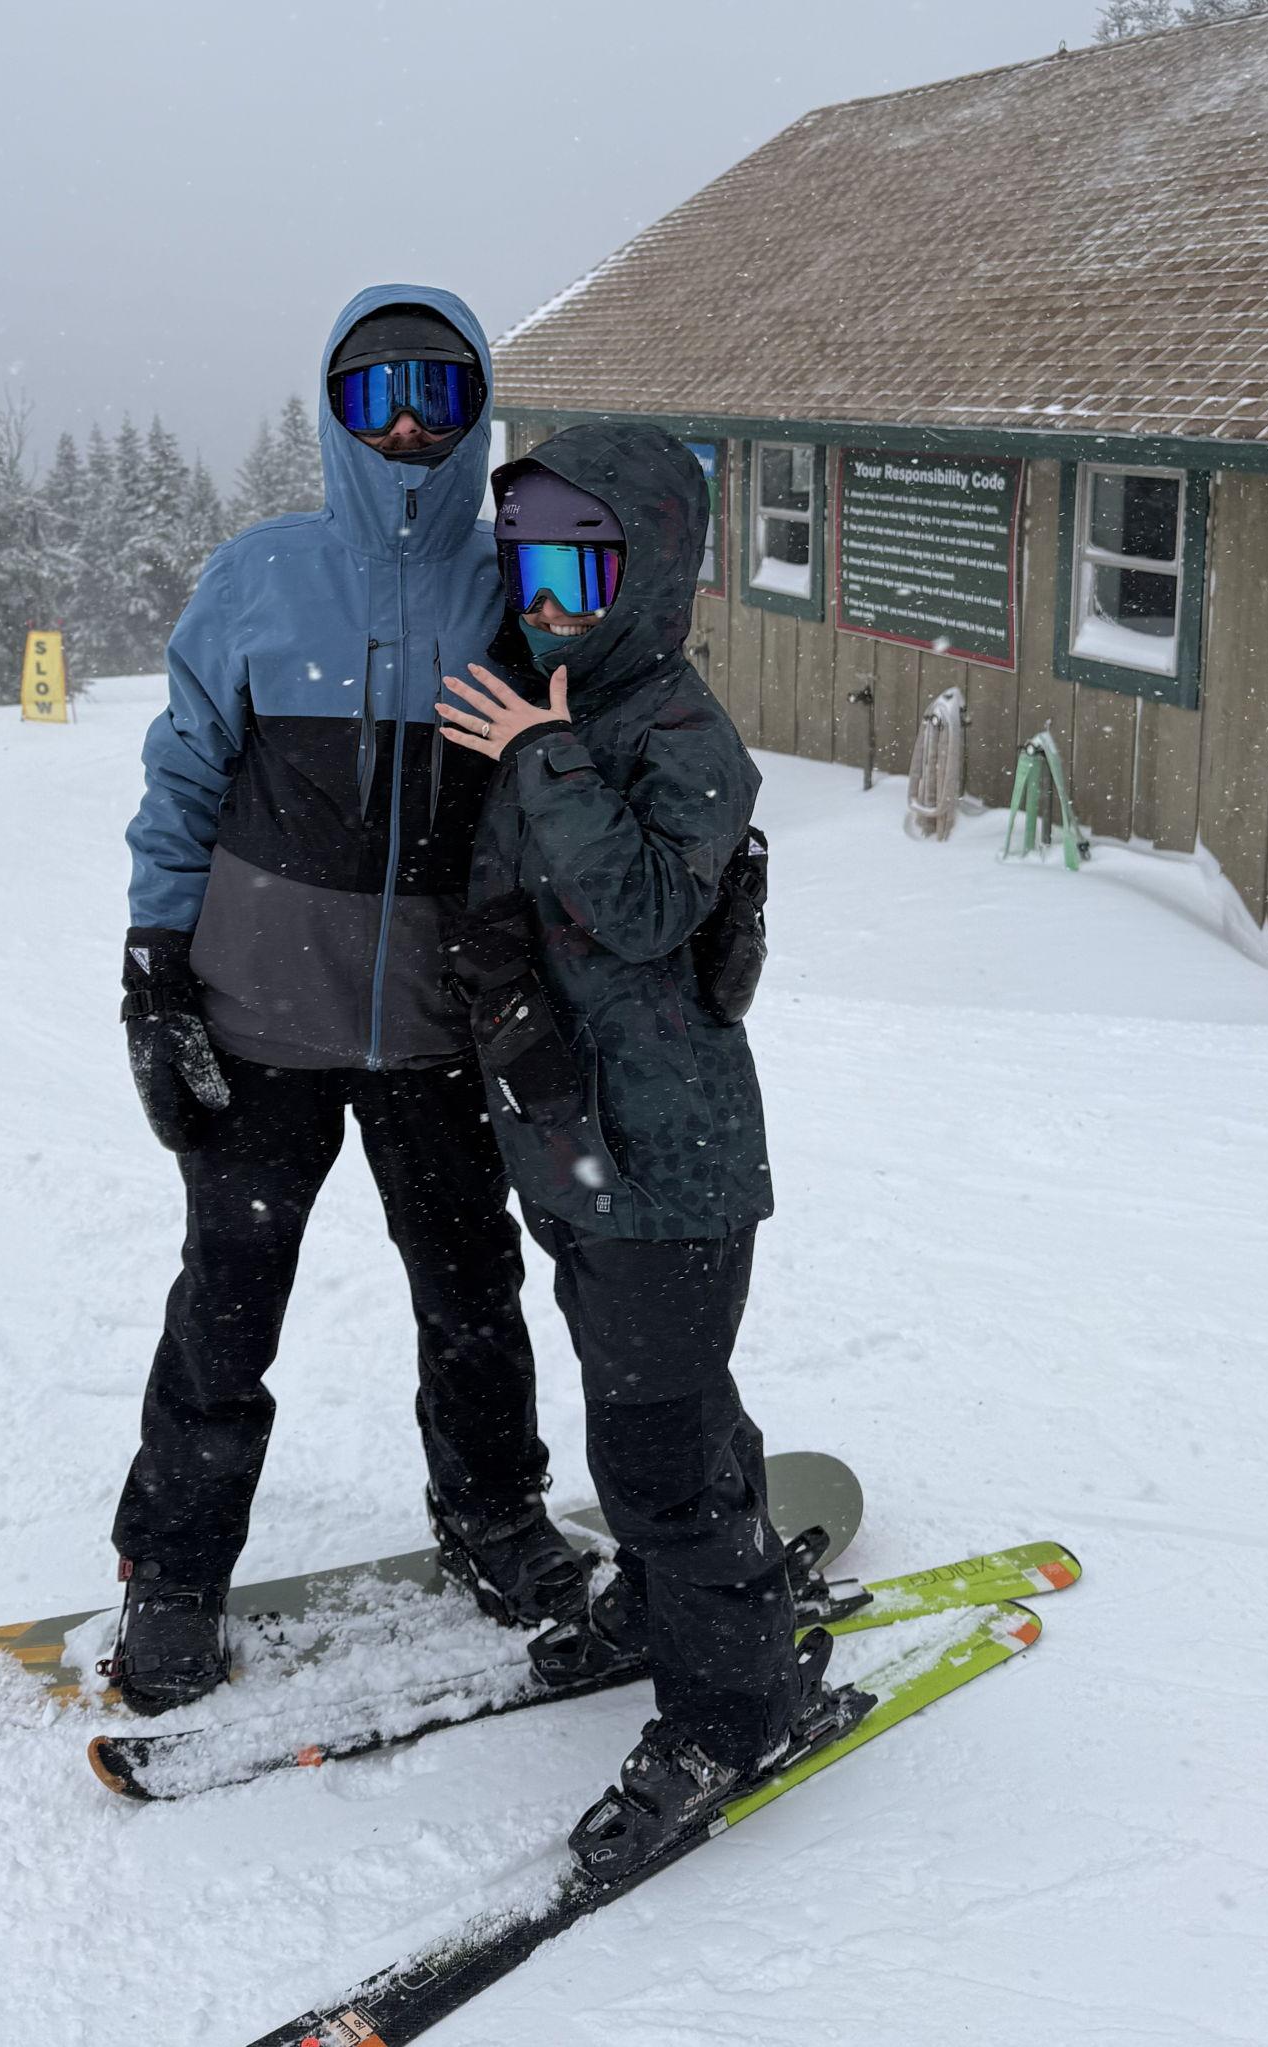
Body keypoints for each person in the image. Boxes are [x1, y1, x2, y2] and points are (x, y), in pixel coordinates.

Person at [108, 286, 588, 1714]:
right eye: (376, 399)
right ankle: (177, 1573)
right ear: (333, 412)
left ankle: (494, 1515)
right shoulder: (261, 578)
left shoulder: (519, 588)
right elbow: (184, 779)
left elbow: (588, 751)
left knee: (471, 1293)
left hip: (444, 1028)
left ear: (478, 407)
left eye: (439, 397)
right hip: (261, 1020)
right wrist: (151, 972)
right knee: (229, 1304)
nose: (408, 430)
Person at [435, 422, 856, 1882]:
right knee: (661, 1395)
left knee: (652, 1447)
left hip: (669, 1164)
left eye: (582, 561)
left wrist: (543, 756)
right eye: (529, 559)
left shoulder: (678, 734)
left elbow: (643, 910)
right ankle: (692, 1591)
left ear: (646, 571)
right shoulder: (547, 703)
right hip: (578, 1155)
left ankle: (734, 1708)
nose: (547, 591)